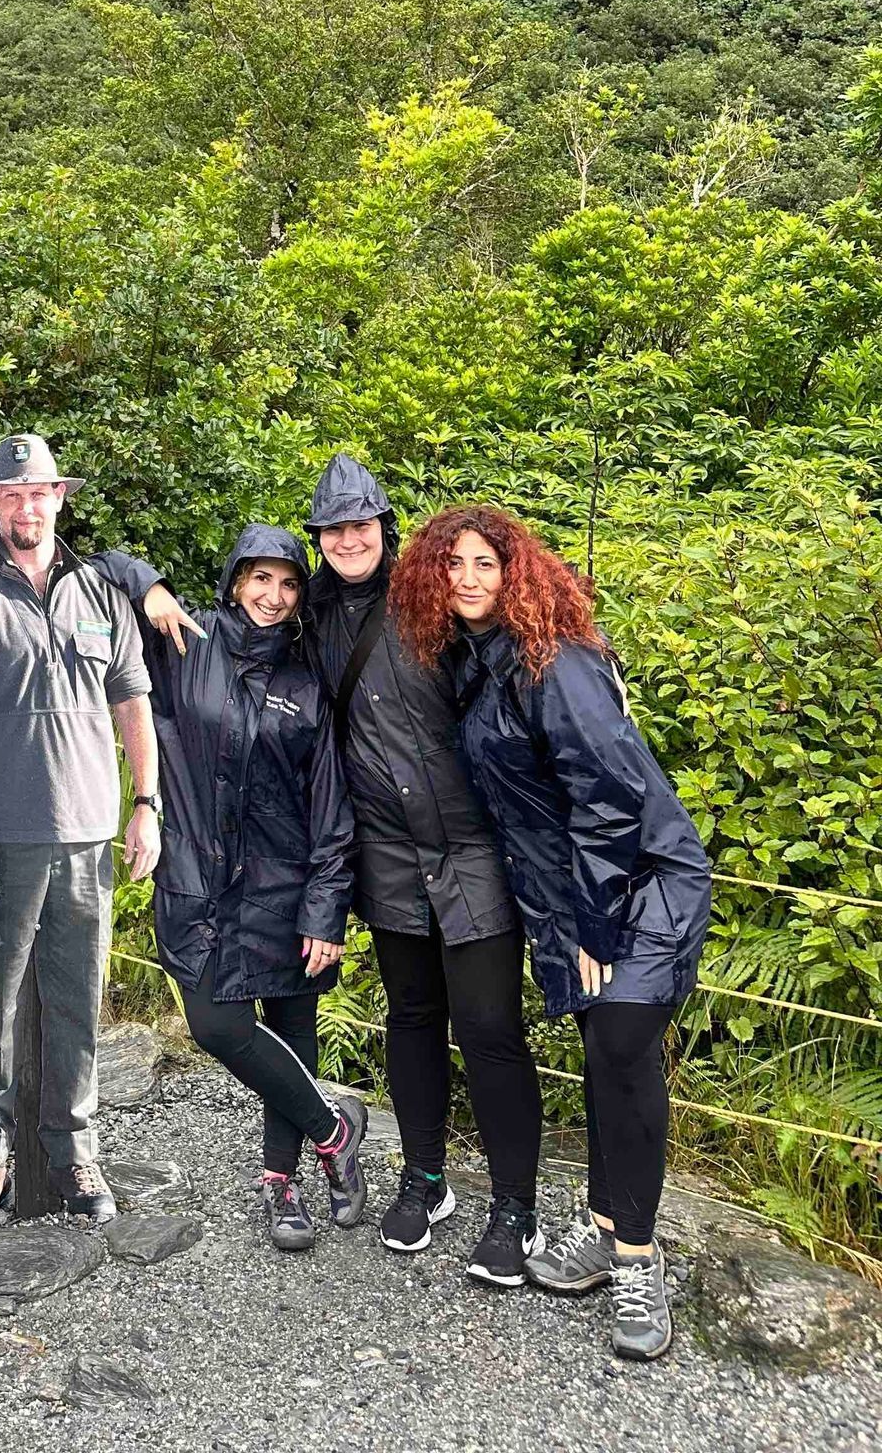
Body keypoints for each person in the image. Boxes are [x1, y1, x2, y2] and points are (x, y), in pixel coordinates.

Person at [390, 506, 713, 1362]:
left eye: (485, 563)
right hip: (568, 898)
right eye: (452, 562)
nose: (466, 577)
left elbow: (608, 801)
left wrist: (596, 928)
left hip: (639, 884)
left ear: (515, 573)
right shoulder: (479, 664)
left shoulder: (554, 662)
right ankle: (609, 1225)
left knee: (620, 1051)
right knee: (604, 1056)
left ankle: (638, 1261)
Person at [297, 454, 545, 1281]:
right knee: (410, 1018)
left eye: (360, 523)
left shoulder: (431, 597)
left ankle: (517, 1205)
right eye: (333, 528)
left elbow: (511, 659)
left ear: (384, 525)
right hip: (388, 855)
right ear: (320, 539)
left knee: (489, 1030)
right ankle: (425, 1177)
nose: (348, 538)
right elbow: (236, 624)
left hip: (473, 851)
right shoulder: (314, 615)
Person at [0, 433, 162, 1230]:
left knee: (78, 1002)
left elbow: (133, 702)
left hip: (92, 833)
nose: (26, 506)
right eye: (12, 493)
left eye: (40, 492)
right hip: (2, 837)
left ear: (60, 497)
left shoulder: (102, 595)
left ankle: (73, 1149)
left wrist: (148, 804)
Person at [137, 524, 371, 1250]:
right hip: (196, 884)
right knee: (218, 1026)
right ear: (235, 580)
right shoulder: (185, 645)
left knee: (293, 1033)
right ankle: (335, 1133)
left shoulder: (306, 683)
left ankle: (282, 1186)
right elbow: (98, 574)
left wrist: (326, 912)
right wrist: (146, 585)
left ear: (301, 596)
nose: (272, 596)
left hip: (286, 890)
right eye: (259, 579)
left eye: (288, 583)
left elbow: (333, 808)